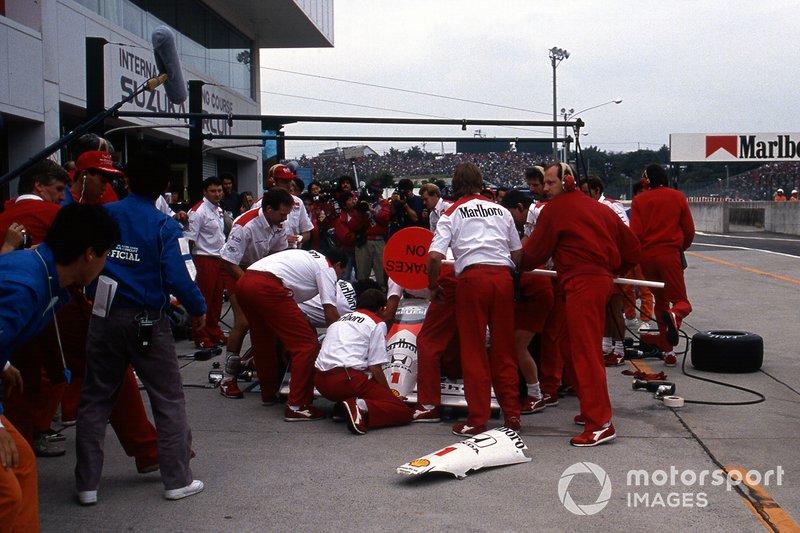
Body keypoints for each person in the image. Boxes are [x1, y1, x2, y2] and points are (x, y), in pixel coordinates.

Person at [75, 150, 207, 504]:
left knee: (95, 399)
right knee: (167, 398)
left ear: (127, 181)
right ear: (165, 186)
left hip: (103, 314)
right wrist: (198, 309)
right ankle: (176, 479)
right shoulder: (165, 226)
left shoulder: (103, 214)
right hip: (148, 319)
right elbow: (180, 276)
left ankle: (87, 485)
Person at [0, 203, 119, 531]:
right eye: (106, 255)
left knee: (22, 462)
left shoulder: (42, 276)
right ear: (91, 254)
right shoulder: (26, 285)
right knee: (6, 493)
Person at [523, 163, 640, 447]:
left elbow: (533, 254)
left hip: (581, 284)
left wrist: (508, 261)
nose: (545, 187)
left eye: (550, 182)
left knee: (585, 352)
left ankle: (600, 423)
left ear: (567, 181)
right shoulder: (601, 210)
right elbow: (633, 249)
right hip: (596, 282)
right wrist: (613, 269)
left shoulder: (554, 211)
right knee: (569, 345)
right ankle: (591, 409)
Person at [428, 162, 522, 436]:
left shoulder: (451, 213)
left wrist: (432, 285)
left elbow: (434, 256)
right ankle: (512, 414)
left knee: (474, 351)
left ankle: (478, 419)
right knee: (504, 349)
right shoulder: (502, 210)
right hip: (502, 278)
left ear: (455, 185)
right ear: (481, 182)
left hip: (471, 280)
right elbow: (517, 253)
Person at [234, 248, 347, 421]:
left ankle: (269, 394)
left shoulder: (309, 257)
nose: (339, 278)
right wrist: (344, 341)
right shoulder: (327, 268)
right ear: (338, 265)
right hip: (268, 285)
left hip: (245, 280)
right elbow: (330, 314)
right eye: (342, 273)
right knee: (307, 345)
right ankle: (297, 405)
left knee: (263, 340)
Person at [217, 188, 293, 400]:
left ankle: (262, 365)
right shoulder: (244, 226)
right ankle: (227, 379)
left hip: (260, 271)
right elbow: (228, 261)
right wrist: (251, 286)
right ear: (268, 209)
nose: (285, 219)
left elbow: (280, 256)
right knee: (243, 323)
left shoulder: (279, 224)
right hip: (236, 270)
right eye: (282, 214)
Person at [313, 289, 413, 435]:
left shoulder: (340, 320)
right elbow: (375, 367)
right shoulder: (377, 323)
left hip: (320, 382)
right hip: (347, 381)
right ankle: (359, 407)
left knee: (363, 374)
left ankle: (343, 407)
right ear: (381, 309)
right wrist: (390, 395)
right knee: (402, 411)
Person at [630, 164, 695, 366]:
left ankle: (668, 352)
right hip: (669, 255)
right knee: (681, 303)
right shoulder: (677, 197)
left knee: (660, 302)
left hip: (647, 258)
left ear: (645, 182)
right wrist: (679, 248)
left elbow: (635, 234)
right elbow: (689, 230)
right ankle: (675, 316)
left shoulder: (639, 200)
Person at [500, 190, 554, 413]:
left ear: (521, 207)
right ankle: (534, 390)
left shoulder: (539, 215)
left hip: (536, 291)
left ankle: (535, 394)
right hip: (530, 290)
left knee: (518, 346)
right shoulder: (519, 231)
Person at [583, 176, 630, 366]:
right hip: (597, 264)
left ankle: (619, 349)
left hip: (614, 264)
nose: (583, 196)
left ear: (596, 191)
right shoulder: (586, 208)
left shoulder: (612, 206)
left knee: (615, 307)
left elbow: (626, 233)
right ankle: (606, 346)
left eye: (586, 192)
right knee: (604, 308)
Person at [185, 176, 227, 349]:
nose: (217, 194)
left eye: (219, 191)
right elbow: (189, 241)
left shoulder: (218, 210)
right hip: (203, 259)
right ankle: (200, 335)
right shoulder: (197, 212)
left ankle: (213, 330)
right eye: (213, 191)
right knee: (204, 299)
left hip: (218, 259)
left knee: (217, 299)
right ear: (204, 191)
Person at [354, 181, 391, 288]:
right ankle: (362, 294)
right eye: (373, 191)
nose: (374, 194)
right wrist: (360, 209)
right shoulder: (362, 203)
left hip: (379, 241)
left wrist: (372, 210)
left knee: (381, 273)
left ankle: (383, 293)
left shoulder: (385, 204)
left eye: (377, 191)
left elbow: (386, 219)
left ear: (381, 192)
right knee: (362, 273)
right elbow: (355, 224)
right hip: (364, 241)